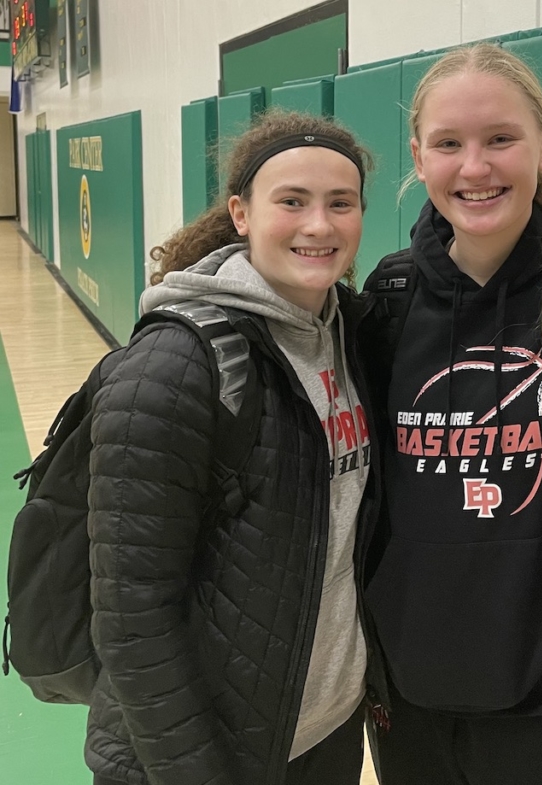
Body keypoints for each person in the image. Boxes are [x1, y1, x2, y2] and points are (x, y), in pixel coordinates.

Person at [359, 42, 542, 785]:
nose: (476, 167)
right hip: (414, 690)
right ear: (419, 158)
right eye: (449, 144)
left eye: (500, 140)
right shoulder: (388, 300)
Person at [86, 111, 378, 785]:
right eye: (292, 201)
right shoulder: (173, 365)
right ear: (241, 213)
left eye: (341, 203)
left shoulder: (349, 334)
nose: (320, 225)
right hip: (194, 758)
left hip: (324, 735)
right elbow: (131, 616)